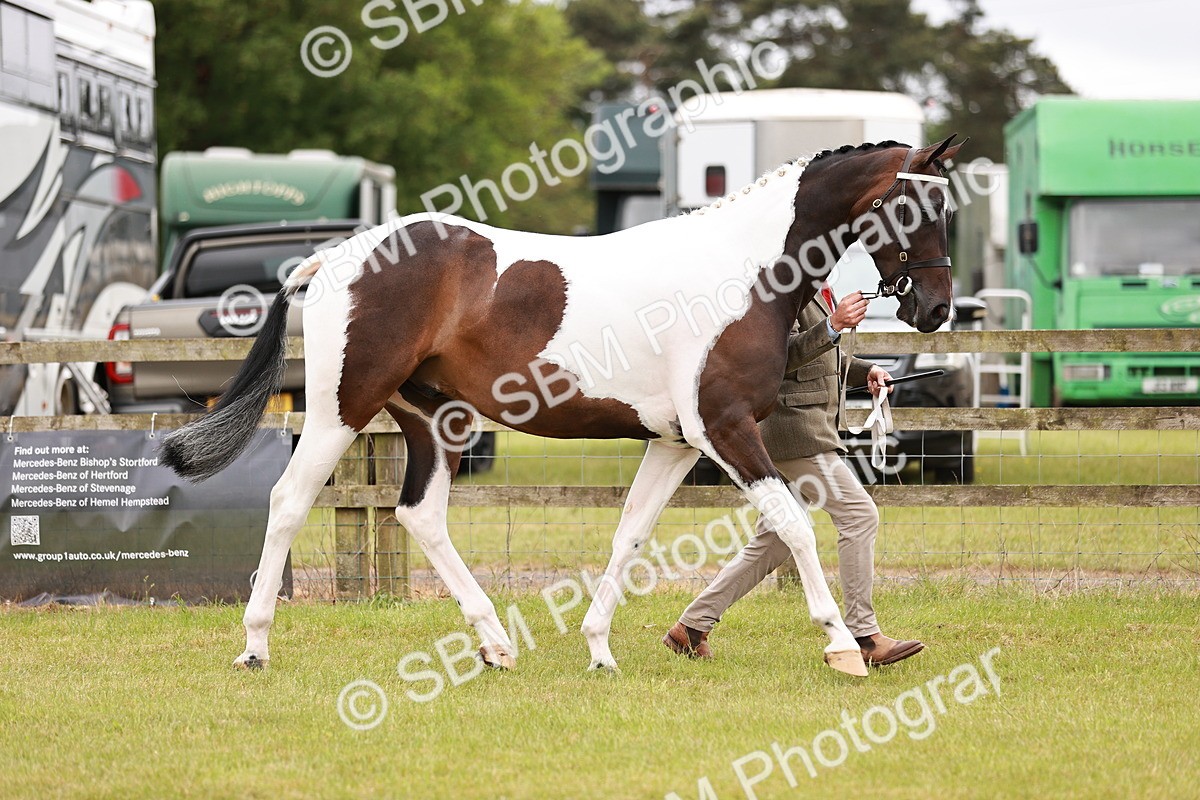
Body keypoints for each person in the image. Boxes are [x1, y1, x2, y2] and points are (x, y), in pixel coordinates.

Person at [664, 288, 924, 666]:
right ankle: (865, 636)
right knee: (859, 514)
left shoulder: (816, 285)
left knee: (774, 540)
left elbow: (824, 358)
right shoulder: (782, 286)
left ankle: (690, 628)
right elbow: (777, 357)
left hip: (804, 429)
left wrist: (865, 369)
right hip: (795, 432)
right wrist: (833, 324)